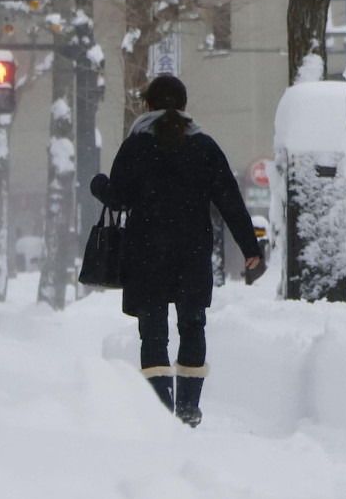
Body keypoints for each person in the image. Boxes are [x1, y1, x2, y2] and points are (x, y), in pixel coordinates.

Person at [90, 74, 263, 427]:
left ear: (148, 106)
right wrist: (250, 248)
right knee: (192, 325)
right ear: (185, 107)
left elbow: (119, 199)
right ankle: (188, 408)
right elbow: (230, 201)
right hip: (192, 251)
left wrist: (99, 185)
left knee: (152, 330)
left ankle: (160, 410)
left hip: (147, 252)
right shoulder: (205, 147)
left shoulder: (136, 146)